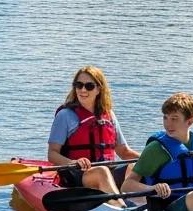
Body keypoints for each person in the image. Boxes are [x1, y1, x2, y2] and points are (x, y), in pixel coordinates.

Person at [47, 66, 142, 202]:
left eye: (89, 86)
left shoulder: (109, 115)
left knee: (135, 167)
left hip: (108, 172)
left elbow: (124, 152)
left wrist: (149, 160)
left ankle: (144, 208)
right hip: (78, 175)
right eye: (78, 85)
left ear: (99, 89)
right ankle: (121, 208)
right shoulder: (65, 115)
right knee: (101, 171)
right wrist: (73, 162)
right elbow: (52, 154)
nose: (83, 90)